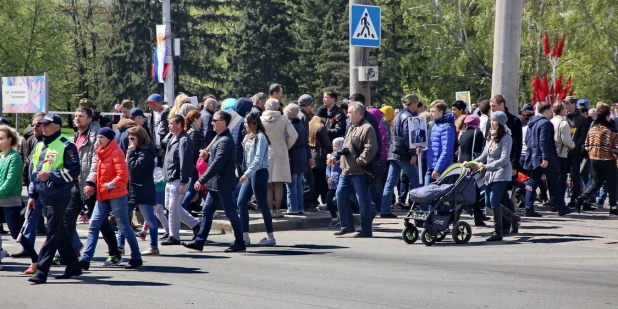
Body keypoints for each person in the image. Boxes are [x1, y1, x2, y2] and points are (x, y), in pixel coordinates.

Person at [27, 114, 82, 284]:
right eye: (41, 124)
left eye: (47, 124)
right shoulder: (40, 144)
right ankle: (73, 266)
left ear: (57, 126)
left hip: (59, 195)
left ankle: (42, 271)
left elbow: (74, 171)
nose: (43, 127)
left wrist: (51, 175)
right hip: (44, 194)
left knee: (52, 233)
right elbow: (35, 172)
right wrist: (33, 195)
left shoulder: (67, 145)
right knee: (59, 233)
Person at [79, 127, 142, 270]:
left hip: (117, 195)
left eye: (101, 138)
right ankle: (85, 259)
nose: (98, 140)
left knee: (124, 226)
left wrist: (109, 185)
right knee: (93, 225)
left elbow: (123, 176)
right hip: (102, 196)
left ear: (109, 139)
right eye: (98, 137)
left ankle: (136, 257)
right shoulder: (101, 152)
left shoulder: (116, 152)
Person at [183, 111, 246, 252]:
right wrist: (207, 156)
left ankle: (240, 242)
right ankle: (199, 241)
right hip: (215, 184)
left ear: (223, 123)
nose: (212, 122)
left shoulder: (226, 141)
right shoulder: (219, 138)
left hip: (223, 183)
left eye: (215, 120)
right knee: (206, 211)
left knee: (231, 214)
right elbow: (214, 159)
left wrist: (202, 179)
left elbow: (218, 163)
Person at [464, 111, 521, 241]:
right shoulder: (491, 136)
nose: (492, 123)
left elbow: (504, 159)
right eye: (492, 120)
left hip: (501, 173)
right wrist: (471, 163)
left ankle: (498, 232)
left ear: (500, 123)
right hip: (489, 173)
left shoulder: (506, 137)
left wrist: (486, 166)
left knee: (495, 201)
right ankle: (514, 218)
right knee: (489, 202)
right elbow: (484, 156)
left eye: (495, 121)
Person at [334, 102, 378, 238]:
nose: (347, 115)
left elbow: (371, 148)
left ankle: (366, 229)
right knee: (340, 195)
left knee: (362, 201)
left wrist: (359, 162)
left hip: (359, 171)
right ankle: (347, 226)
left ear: (358, 114)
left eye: (349, 113)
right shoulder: (351, 126)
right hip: (346, 170)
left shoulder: (367, 128)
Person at [523, 103, 575, 217]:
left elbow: (527, 140)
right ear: (546, 111)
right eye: (550, 110)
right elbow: (544, 141)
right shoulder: (546, 123)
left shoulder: (531, 122)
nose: (552, 113)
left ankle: (528, 207)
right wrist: (545, 158)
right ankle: (561, 208)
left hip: (533, 157)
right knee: (555, 183)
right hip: (545, 158)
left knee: (532, 183)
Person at [235, 112, 276, 246]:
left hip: (258, 173)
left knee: (262, 204)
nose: (244, 125)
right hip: (251, 173)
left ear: (253, 123)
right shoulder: (250, 137)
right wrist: (244, 143)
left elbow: (258, 159)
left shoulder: (261, 137)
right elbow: (247, 157)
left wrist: (247, 173)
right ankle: (245, 236)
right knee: (241, 202)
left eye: (246, 123)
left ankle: (270, 237)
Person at [11, 113, 46, 260]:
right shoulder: (30, 139)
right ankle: (28, 247)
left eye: (39, 124)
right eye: (33, 124)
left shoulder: (48, 142)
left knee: (58, 221)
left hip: (46, 187)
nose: (35, 127)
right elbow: (26, 159)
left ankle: (74, 245)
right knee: (30, 217)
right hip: (34, 186)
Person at [161, 115, 200, 245]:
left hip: (178, 179)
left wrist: (183, 182)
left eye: (171, 123)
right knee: (170, 206)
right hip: (170, 178)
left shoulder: (184, 140)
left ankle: (174, 236)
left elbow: (185, 162)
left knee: (173, 208)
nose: (168, 126)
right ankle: (195, 224)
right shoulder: (173, 137)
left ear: (179, 125)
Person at [381, 94, 421, 218]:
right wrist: (413, 154)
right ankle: (425, 208)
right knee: (416, 181)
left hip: (394, 153)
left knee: (390, 182)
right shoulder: (408, 117)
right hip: (404, 154)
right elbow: (408, 137)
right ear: (413, 103)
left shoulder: (399, 115)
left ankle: (385, 209)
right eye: (416, 104)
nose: (417, 107)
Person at [576, 105, 618, 215]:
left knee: (596, 183)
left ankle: (581, 198)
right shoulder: (610, 131)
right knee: (612, 183)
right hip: (608, 159)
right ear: (607, 116)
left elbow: (586, 145)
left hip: (594, 159)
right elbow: (615, 147)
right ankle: (613, 207)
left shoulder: (592, 129)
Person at [261, 99, 298, 218]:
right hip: (281, 151)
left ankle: (269, 211)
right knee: (278, 183)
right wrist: (286, 145)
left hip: (265, 151)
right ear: (278, 107)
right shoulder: (284, 119)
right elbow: (294, 135)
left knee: (268, 184)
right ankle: (278, 210)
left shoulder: (260, 119)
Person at [126, 126, 159, 255]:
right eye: (129, 138)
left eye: (132, 138)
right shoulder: (137, 150)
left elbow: (134, 167)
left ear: (139, 138)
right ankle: (120, 245)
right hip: (132, 189)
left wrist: (130, 153)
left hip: (144, 190)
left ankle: (154, 246)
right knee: (123, 218)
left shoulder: (145, 152)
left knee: (150, 220)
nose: (130, 141)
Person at [0, 125, 24, 271]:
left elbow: (9, 182)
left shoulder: (14, 158)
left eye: (1, 138)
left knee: (16, 232)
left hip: (10, 201)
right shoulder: (1, 157)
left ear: (10, 140)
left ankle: (34, 257)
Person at [417, 100, 455, 186]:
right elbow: (434, 148)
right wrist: (423, 152)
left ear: (441, 112)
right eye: (430, 111)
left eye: (433, 111)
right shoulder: (435, 125)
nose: (430, 113)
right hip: (432, 167)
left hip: (442, 169)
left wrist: (438, 169)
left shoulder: (447, 127)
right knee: (426, 195)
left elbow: (447, 151)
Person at [458, 115, 486, 226]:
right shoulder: (477, 133)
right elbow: (480, 150)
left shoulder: (463, 134)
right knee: (475, 191)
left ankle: (457, 215)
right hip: (472, 163)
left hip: (462, 163)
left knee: (463, 189)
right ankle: (477, 218)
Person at [284, 104, 310, 215]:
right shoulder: (301, 125)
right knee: (299, 183)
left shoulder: (291, 126)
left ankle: (293, 207)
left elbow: (289, 142)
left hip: (293, 156)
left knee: (291, 184)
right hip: (302, 155)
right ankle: (300, 207)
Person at [565, 96, 589, 207]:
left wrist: (574, 146)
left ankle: (575, 198)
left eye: (567, 103)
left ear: (573, 104)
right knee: (561, 176)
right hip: (564, 152)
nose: (565, 105)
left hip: (575, 152)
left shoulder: (581, 119)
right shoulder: (564, 117)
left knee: (575, 175)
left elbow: (583, 136)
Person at [550, 102, 575, 211]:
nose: (566, 110)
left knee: (554, 180)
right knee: (561, 181)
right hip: (561, 154)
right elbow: (566, 140)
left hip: (552, 153)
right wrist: (573, 145)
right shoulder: (563, 123)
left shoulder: (551, 121)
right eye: (564, 109)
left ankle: (553, 202)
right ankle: (560, 205)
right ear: (561, 111)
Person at [179, 110, 206, 212]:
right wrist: (204, 149)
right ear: (195, 120)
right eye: (199, 119)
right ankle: (183, 206)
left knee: (193, 187)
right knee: (194, 187)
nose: (201, 121)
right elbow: (194, 149)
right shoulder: (194, 132)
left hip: (191, 164)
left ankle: (184, 207)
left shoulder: (188, 131)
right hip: (195, 164)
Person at [309, 108, 333, 209]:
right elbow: (327, 144)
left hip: (311, 155)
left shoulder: (310, 124)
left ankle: (312, 201)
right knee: (321, 183)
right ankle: (321, 202)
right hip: (320, 157)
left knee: (313, 182)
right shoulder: (321, 127)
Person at [146, 93, 170, 166]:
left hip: (165, 147)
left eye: (154, 104)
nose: (151, 107)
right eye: (149, 104)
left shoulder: (168, 113)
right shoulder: (152, 115)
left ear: (161, 103)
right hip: (154, 147)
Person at [325, 138, 344, 228]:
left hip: (340, 182)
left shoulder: (342, 156)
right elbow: (328, 168)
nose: (334, 148)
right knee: (328, 200)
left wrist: (335, 164)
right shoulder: (332, 156)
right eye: (333, 146)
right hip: (332, 183)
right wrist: (328, 177)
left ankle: (342, 218)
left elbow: (341, 169)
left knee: (340, 201)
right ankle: (334, 217)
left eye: (336, 146)